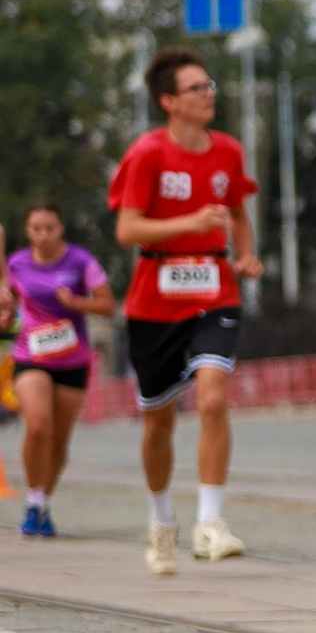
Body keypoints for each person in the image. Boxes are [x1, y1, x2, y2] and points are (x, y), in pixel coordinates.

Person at [110, 49, 264, 575]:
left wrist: (244, 254)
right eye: (197, 87)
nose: (209, 94)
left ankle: (210, 522)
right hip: (155, 297)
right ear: (169, 101)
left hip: (214, 292)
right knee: (158, 424)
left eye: (210, 84)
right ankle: (160, 520)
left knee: (214, 399)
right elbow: (127, 230)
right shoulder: (148, 154)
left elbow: (239, 213)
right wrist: (191, 220)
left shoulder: (228, 152)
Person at [9, 203, 116, 537]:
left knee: (58, 441)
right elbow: (8, 302)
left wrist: (77, 303)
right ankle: (31, 499)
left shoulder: (80, 262)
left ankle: (43, 503)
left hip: (72, 361)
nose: (43, 235)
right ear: (27, 231)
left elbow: (108, 305)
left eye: (50, 228)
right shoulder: (16, 264)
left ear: (61, 229)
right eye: (36, 229)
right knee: (38, 425)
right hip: (31, 356)